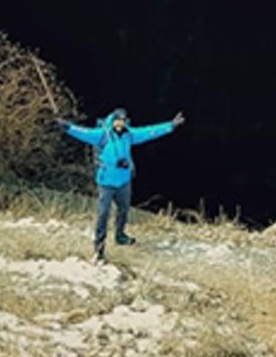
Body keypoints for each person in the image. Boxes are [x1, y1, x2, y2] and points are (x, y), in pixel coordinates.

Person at [57, 106, 184, 261]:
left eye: (123, 121)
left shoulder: (129, 135)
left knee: (123, 210)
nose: (120, 123)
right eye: (117, 120)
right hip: (106, 182)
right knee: (103, 215)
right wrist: (67, 127)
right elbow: (84, 133)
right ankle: (99, 248)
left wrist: (170, 126)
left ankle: (120, 235)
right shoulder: (102, 135)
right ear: (113, 120)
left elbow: (149, 132)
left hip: (123, 181)